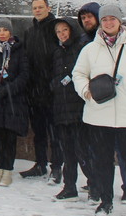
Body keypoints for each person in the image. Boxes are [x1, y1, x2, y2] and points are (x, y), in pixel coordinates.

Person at [72, 5, 126, 216]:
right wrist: (86, 92)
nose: (108, 23)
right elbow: (78, 74)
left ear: (119, 21)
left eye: (112, 19)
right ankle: (106, 200)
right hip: (99, 115)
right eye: (105, 19)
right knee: (101, 162)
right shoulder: (90, 49)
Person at [78, 2, 126, 205]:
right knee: (99, 152)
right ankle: (100, 188)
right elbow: (79, 73)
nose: (86, 21)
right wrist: (86, 92)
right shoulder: (85, 42)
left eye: (90, 17)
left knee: (123, 151)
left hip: (121, 103)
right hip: (97, 104)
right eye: (83, 18)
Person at [0, 17, 30, 187]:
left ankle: (8, 170)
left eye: (5, 30)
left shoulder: (19, 50)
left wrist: (8, 90)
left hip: (12, 100)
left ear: (10, 32)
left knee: (9, 136)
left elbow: (25, 75)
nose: (2, 33)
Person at [50, 17, 95, 202]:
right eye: (58, 32)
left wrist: (64, 83)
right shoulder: (57, 52)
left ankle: (95, 184)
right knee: (67, 151)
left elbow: (81, 75)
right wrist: (54, 85)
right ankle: (69, 187)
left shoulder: (81, 49)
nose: (62, 34)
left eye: (65, 30)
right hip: (61, 108)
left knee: (82, 150)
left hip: (77, 108)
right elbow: (55, 75)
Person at [21, 0, 63, 183]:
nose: (37, 10)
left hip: (52, 91)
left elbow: (61, 58)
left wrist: (55, 83)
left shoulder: (56, 29)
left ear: (48, 7)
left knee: (55, 132)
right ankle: (40, 163)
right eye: (35, 8)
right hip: (34, 91)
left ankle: (56, 167)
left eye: (40, 7)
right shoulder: (30, 32)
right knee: (39, 131)